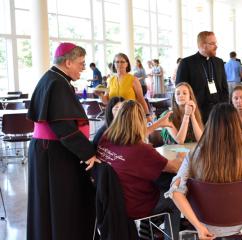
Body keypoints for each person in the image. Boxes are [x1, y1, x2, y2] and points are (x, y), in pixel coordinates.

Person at [166, 103, 242, 239]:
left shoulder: (194, 155)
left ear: (210, 126)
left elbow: (175, 191)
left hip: (205, 225)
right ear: (237, 127)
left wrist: (198, 226)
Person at [27, 42, 100, 240]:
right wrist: (89, 153)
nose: (84, 67)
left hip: (50, 150)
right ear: (68, 62)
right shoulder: (57, 83)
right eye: (81, 63)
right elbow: (64, 127)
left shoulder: (56, 79)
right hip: (54, 153)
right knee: (60, 203)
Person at [97, 100, 184, 239]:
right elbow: (175, 167)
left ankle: (147, 230)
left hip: (107, 201)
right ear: (140, 121)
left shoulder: (106, 137)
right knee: (175, 198)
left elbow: (131, 137)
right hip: (133, 205)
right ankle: (159, 233)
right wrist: (181, 154)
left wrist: (157, 124)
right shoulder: (141, 150)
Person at [176, 31, 229, 123]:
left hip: (218, 111)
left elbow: (224, 88)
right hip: (197, 112)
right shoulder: (187, 63)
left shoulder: (219, 62)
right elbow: (180, 88)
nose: (216, 46)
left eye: (215, 43)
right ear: (203, 45)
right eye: (212, 43)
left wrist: (224, 108)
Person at [93, 96, 173, 147]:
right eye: (116, 108)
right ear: (109, 111)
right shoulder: (105, 131)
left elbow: (138, 135)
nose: (120, 112)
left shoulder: (124, 127)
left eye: (122, 109)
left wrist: (159, 123)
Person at [96, 53, 151, 119]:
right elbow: (106, 101)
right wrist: (100, 95)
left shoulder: (133, 79)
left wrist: (147, 116)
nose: (119, 64)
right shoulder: (110, 80)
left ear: (127, 64)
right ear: (114, 64)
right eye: (117, 62)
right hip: (113, 117)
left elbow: (141, 99)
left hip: (129, 116)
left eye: (122, 62)